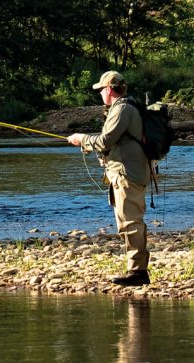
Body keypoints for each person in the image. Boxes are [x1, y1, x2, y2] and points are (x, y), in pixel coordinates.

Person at [67, 70, 151, 286]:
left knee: (131, 222)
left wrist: (81, 139)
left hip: (127, 174)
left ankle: (138, 273)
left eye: (101, 90)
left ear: (109, 89)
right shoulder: (123, 107)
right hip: (127, 172)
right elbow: (113, 143)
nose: (100, 94)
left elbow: (105, 141)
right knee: (127, 222)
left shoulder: (122, 108)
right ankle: (136, 270)